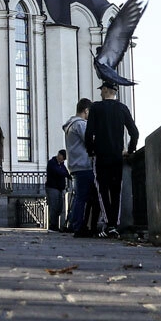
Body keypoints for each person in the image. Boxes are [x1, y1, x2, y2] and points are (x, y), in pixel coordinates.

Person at [85, 82, 138, 238]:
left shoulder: (96, 108)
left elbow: (89, 134)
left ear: (106, 90)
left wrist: (91, 150)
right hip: (117, 156)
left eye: (101, 89)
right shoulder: (123, 108)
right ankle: (114, 224)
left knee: (102, 190)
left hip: (101, 156)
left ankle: (109, 224)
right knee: (116, 191)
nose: (100, 92)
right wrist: (130, 150)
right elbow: (134, 132)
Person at [63, 98, 98, 237]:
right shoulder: (81, 125)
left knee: (79, 197)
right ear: (86, 111)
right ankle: (78, 226)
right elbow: (90, 141)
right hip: (84, 165)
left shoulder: (70, 125)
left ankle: (75, 224)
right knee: (83, 198)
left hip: (75, 165)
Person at [45, 150, 69, 231]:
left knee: (59, 207)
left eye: (63, 159)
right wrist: (65, 174)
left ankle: (56, 224)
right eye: (61, 158)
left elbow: (65, 172)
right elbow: (59, 172)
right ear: (59, 155)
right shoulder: (52, 163)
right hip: (52, 187)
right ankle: (52, 225)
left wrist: (69, 176)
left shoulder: (61, 164)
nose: (62, 160)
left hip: (60, 188)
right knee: (54, 206)